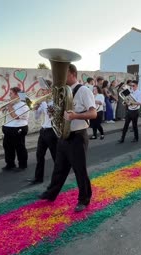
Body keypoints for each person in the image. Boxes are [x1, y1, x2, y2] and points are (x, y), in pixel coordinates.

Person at [38, 64, 97, 212]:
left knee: (79, 170)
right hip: (63, 136)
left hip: (77, 136)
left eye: (62, 74)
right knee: (59, 168)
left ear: (72, 74)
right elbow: (59, 112)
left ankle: (84, 199)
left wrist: (75, 115)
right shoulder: (63, 91)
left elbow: (93, 114)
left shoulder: (83, 90)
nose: (59, 78)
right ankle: (51, 193)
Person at [28, 82, 57, 184]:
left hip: (52, 131)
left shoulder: (55, 102)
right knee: (39, 155)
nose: (42, 92)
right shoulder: (43, 102)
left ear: (50, 90)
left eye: (44, 90)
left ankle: (58, 179)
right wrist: (36, 109)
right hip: (43, 130)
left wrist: (44, 104)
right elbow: (36, 117)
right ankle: (38, 178)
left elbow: (52, 116)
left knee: (55, 156)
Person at [1, 87, 29, 171]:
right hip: (8, 128)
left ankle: (22, 165)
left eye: (11, 93)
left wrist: (9, 106)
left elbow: (15, 116)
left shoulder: (23, 104)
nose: (9, 95)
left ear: (17, 94)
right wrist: (5, 108)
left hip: (18, 128)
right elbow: (7, 113)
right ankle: (10, 164)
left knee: (20, 147)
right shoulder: (13, 103)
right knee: (7, 146)